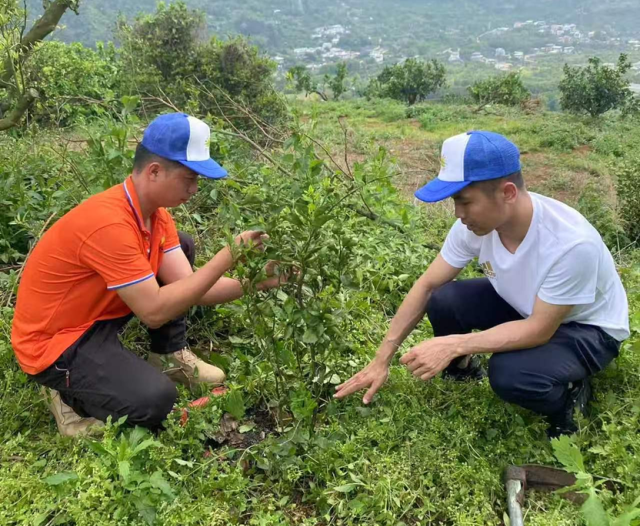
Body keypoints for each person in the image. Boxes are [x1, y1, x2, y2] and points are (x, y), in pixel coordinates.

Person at [335, 130, 629, 437]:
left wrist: (454, 343)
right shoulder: (475, 226)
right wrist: (381, 359)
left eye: (465, 202)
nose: (458, 214)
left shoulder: (570, 244)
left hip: (586, 328)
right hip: (529, 305)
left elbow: (539, 329)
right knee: (444, 299)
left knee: (510, 373)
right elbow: (427, 285)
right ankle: (462, 370)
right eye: (454, 202)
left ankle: (568, 397)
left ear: (508, 193)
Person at [12, 112, 285, 437]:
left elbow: (195, 288)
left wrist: (259, 282)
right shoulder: (110, 224)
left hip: (95, 319)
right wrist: (229, 255)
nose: (195, 189)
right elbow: (154, 312)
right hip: (57, 343)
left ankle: (167, 355)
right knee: (155, 401)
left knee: (180, 245)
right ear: (155, 171)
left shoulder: (155, 217)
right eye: (189, 178)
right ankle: (69, 400)